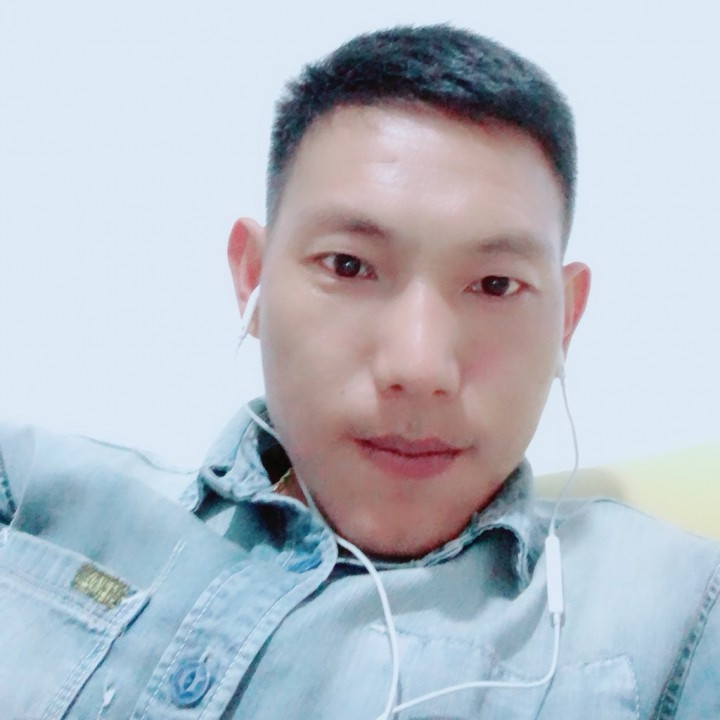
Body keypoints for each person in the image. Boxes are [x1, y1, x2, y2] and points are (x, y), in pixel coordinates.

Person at [0, 24, 717, 720]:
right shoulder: (32, 491)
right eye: (348, 265)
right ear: (252, 277)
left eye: (496, 284)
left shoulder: (676, 617)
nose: (419, 367)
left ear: (565, 320)